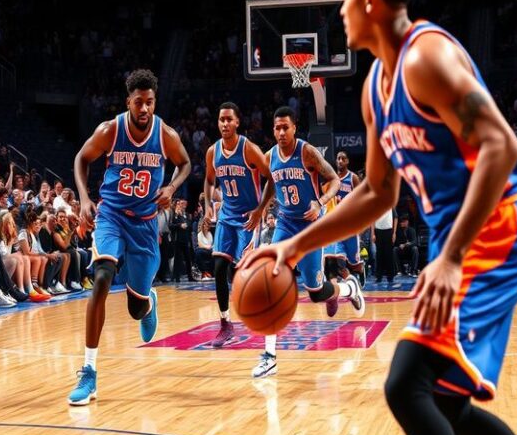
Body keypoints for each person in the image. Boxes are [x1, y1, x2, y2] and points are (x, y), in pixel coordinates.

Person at [241, 0, 517, 435]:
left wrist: (449, 257)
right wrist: (293, 247)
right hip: (460, 243)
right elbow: (378, 193)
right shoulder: (375, 84)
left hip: (498, 233)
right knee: (443, 404)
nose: (340, 9)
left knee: (407, 384)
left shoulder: (426, 57)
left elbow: (502, 145)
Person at [69, 68, 191, 406]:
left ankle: (148, 299)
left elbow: (185, 164)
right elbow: (82, 158)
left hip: (146, 224)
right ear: (129, 102)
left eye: (150, 102)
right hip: (111, 215)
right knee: (103, 277)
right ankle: (89, 372)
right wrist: (83, 198)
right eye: (139, 103)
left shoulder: (165, 134)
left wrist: (172, 186)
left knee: (136, 309)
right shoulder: (110, 130)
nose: (145, 109)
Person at [252, 105, 364, 378]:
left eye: (285, 127)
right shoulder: (270, 156)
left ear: (294, 128)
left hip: (311, 226)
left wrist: (321, 202)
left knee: (315, 292)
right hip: (285, 225)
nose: (280, 132)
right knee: (273, 282)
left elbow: (335, 181)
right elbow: (270, 181)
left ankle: (348, 289)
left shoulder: (307, 152)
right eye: (276, 128)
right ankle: (269, 356)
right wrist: (260, 208)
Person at [203, 101, 272, 348]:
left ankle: (267, 310)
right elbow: (209, 181)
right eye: (221, 119)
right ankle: (225, 324)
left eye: (229, 119)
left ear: (237, 122)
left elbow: (271, 178)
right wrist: (208, 206)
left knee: (244, 270)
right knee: (220, 267)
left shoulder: (249, 149)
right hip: (227, 217)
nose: (224, 123)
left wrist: (261, 209)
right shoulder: (213, 152)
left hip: (248, 218)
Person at [325, 151, 366, 283]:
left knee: (354, 262)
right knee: (337, 258)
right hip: (336, 226)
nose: (340, 161)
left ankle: (360, 269)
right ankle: (348, 281)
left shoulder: (353, 178)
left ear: (348, 161)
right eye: (338, 158)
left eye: (343, 158)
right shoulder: (332, 180)